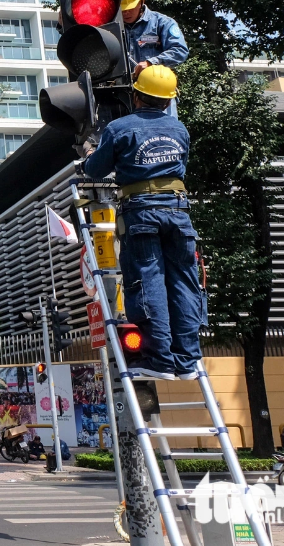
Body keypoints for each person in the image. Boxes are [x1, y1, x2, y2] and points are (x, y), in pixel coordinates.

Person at [83, 64, 204, 380]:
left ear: (136, 95)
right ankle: (187, 361)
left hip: (141, 212)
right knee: (184, 284)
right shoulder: (180, 130)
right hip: (179, 212)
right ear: (167, 101)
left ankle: (160, 359)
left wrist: (89, 152)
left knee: (148, 281)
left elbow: (95, 170)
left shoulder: (120, 128)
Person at [118, 0, 189, 115]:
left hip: (158, 97)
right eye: (122, 9)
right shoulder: (110, 28)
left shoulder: (162, 23)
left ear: (141, 0)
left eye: (130, 7)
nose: (126, 12)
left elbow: (180, 50)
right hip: (124, 98)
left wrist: (151, 62)